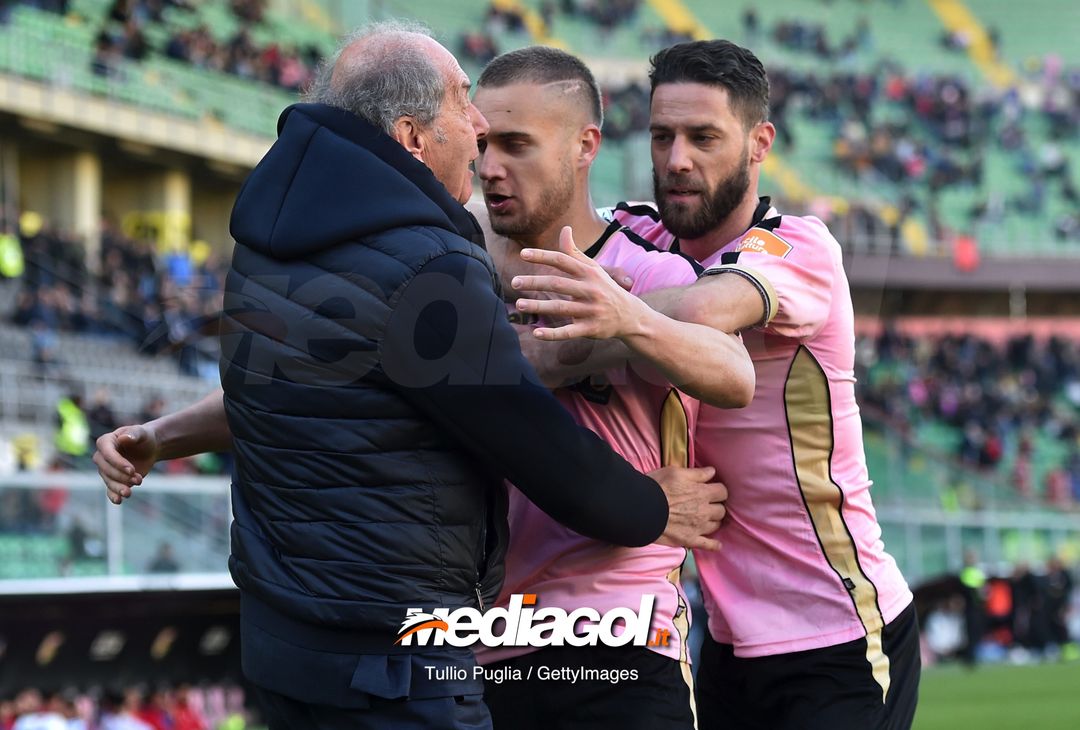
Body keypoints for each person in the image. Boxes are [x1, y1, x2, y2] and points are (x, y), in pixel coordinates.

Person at [94, 22, 728, 730]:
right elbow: (536, 445)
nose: (480, 125)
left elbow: (293, 387)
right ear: (411, 137)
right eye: (463, 103)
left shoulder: (265, 249)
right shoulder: (426, 265)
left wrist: (160, 433)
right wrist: (652, 509)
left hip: (282, 650)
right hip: (396, 661)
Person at [512, 39, 920, 730]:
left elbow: (704, 311)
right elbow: (508, 238)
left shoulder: (797, 246)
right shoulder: (639, 234)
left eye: (704, 137)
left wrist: (591, 329)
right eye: (662, 135)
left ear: (760, 144)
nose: (678, 160)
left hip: (836, 628)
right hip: (724, 640)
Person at [469, 47, 753, 729]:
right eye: (481, 144)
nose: (489, 167)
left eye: (515, 145)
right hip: (484, 648)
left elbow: (734, 375)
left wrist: (629, 325)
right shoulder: (457, 273)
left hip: (621, 639)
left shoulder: (647, 274)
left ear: (583, 146)